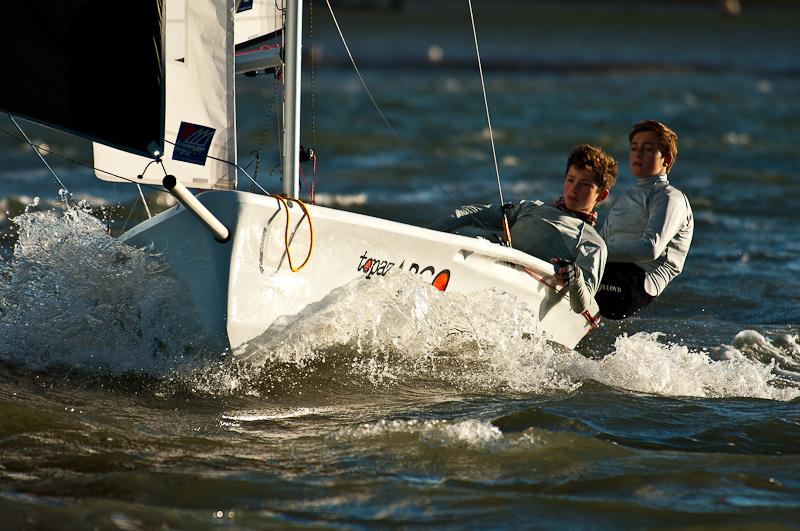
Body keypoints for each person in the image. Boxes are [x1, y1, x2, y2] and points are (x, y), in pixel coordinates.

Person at [431, 144, 617, 314]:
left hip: (523, 302)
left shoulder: (593, 244)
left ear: (601, 195)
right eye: (570, 180)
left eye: (585, 185)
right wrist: (429, 236)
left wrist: (574, 276)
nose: (573, 189)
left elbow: (581, 306)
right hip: (489, 280)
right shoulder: (530, 208)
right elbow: (470, 213)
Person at [596, 120, 694, 320]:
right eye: (634, 148)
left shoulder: (669, 197)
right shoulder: (626, 197)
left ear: (666, 160)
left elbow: (650, 248)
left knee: (568, 270)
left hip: (634, 285)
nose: (638, 154)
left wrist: (593, 254)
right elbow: (599, 241)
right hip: (608, 270)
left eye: (648, 149)